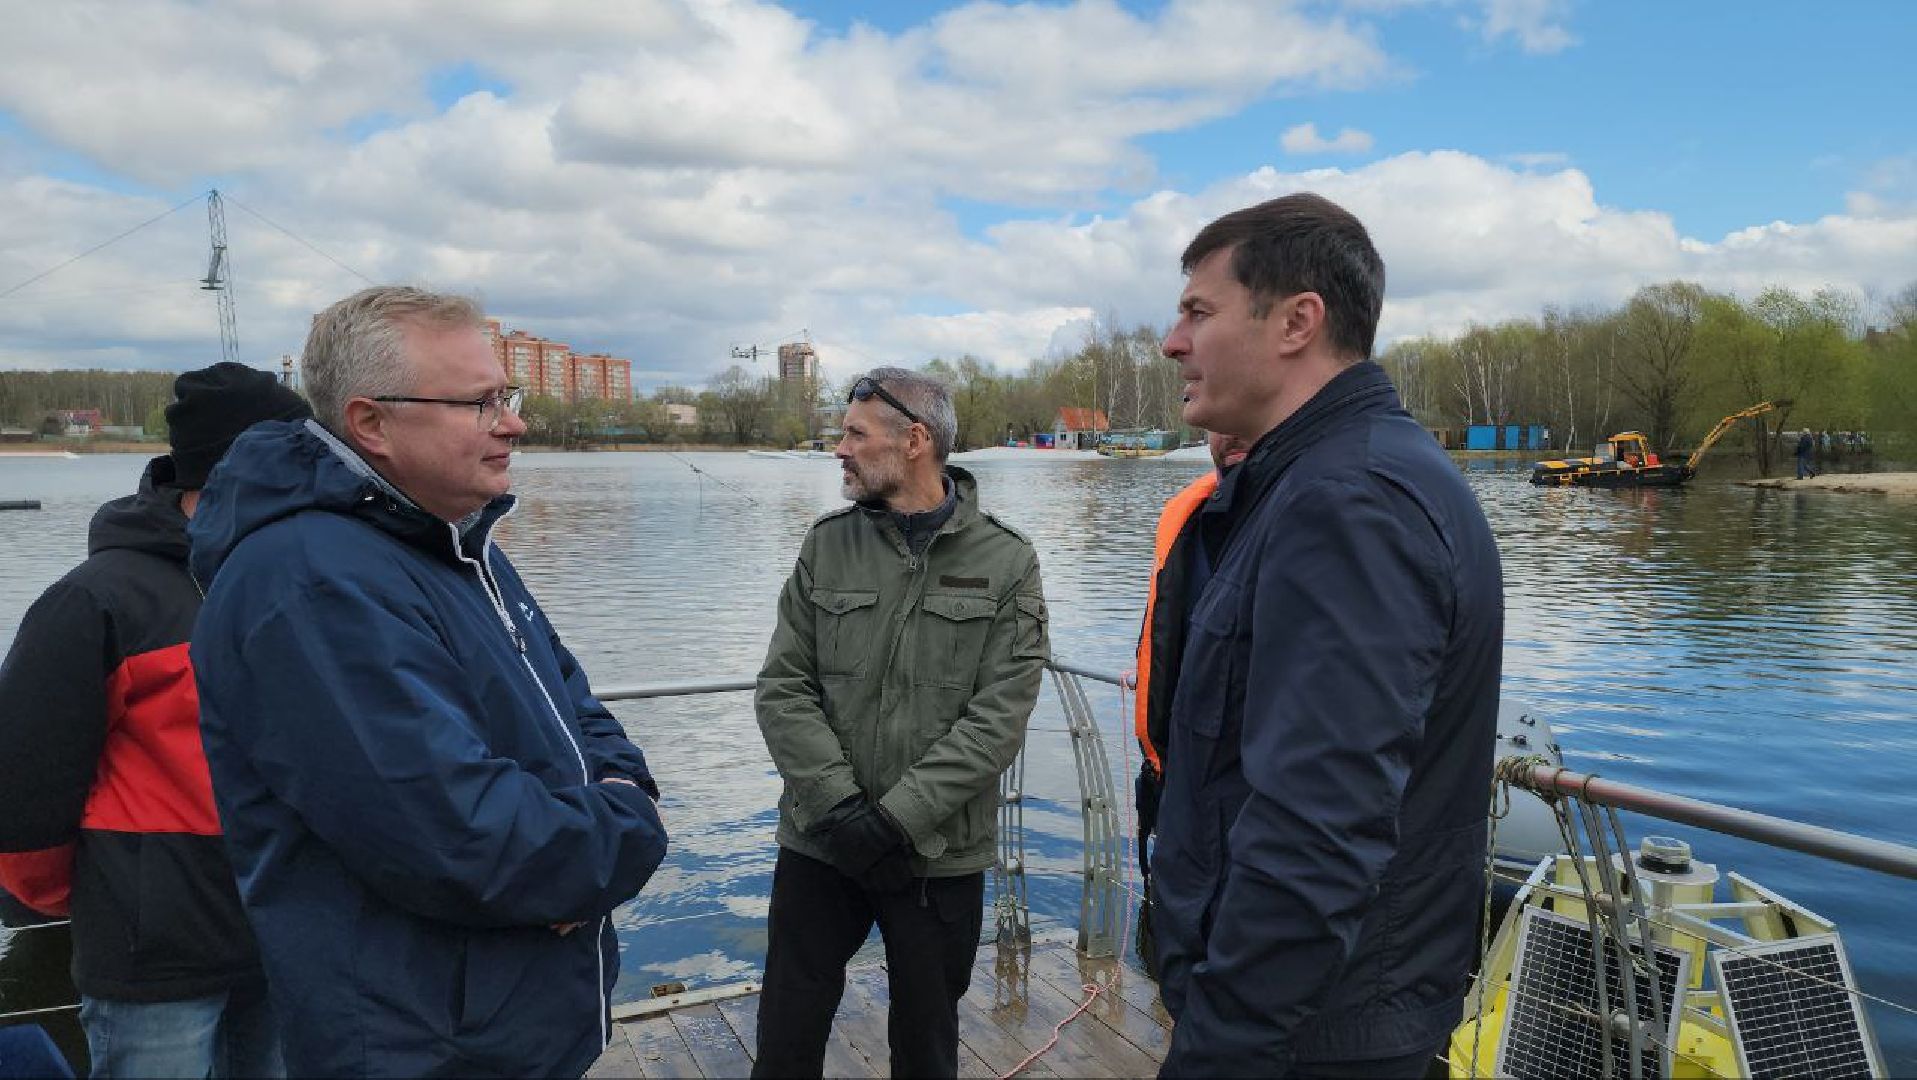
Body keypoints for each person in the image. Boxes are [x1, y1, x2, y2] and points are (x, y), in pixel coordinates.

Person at [186, 286, 669, 1078]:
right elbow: (456, 836)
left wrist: (610, 802)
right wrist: (625, 835)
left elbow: (576, 709)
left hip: (506, 1020)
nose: (512, 422)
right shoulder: (309, 581)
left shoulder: (453, 544)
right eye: (480, 403)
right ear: (371, 422)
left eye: (505, 397)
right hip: (420, 1040)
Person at [1150, 194, 1504, 1078]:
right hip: (1313, 1018)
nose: (1172, 341)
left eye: (1198, 310)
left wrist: (1218, 1052)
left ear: (1297, 322)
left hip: (1309, 1037)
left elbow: (1318, 823)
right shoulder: (1314, 481)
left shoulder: (1350, 500)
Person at [0, 362, 310, 1079]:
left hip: (282, 929)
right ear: (243, 469)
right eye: (297, 458)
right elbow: (24, 770)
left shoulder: (296, 579)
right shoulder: (96, 600)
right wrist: (98, 895)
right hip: (153, 950)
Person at [752, 366, 1049, 1079]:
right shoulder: (826, 546)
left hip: (935, 854)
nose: (838, 448)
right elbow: (783, 688)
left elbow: (998, 715)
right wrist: (842, 809)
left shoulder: (1006, 561)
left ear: (914, 440)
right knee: (787, 1030)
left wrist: (894, 821)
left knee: (925, 1041)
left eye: (854, 433)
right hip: (821, 843)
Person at [1129, 430, 1251, 977]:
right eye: (1216, 417)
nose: (1230, 434)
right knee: (1176, 979)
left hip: (1262, 826)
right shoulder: (1191, 516)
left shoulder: (1327, 517)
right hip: (1178, 800)